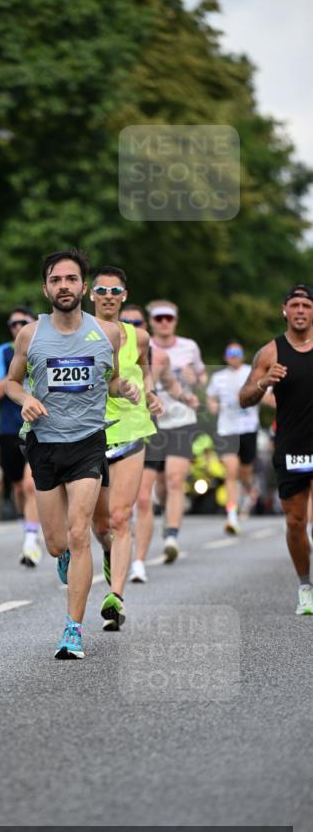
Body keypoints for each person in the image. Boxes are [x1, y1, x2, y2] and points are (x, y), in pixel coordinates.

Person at [5, 248, 140, 659]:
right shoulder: (29, 334)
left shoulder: (109, 333)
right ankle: (63, 558)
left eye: (70, 279)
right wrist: (24, 397)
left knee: (81, 533)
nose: (64, 286)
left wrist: (126, 389)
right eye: (55, 280)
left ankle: (73, 630)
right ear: (46, 288)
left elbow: (112, 380)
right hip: (44, 444)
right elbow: (11, 383)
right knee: (55, 543)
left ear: (84, 286)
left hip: (87, 444)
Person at [87, 267, 165, 631]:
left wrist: (149, 392)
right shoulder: (77, 333)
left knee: (120, 517)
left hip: (131, 428)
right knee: (100, 523)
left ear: (123, 294)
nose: (107, 295)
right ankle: (108, 551)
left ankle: (115, 596)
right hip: (86, 431)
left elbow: (145, 370)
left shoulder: (141, 337)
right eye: (101, 289)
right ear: (92, 294)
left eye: (114, 290)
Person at [239, 283, 313, 615]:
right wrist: (263, 383)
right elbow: (243, 398)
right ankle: (305, 587)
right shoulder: (270, 352)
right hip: (291, 445)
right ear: (284, 310)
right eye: (295, 305)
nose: (301, 310)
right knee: (296, 522)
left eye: (307, 306)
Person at [134, 299, 207, 566]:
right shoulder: (143, 346)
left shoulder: (189, 347)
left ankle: (171, 536)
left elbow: (201, 378)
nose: (164, 323)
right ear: (151, 321)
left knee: (176, 479)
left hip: (181, 420)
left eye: (169, 318)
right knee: (159, 486)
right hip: (150, 422)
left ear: (175, 320)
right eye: (159, 318)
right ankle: (166, 513)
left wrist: (195, 381)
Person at [0, 307, 42, 566]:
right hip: (9, 428)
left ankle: (30, 541)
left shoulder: (46, 347)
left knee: (31, 484)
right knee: (18, 487)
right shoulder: (2, 352)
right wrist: (17, 371)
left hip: (41, 426)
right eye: (13, 324)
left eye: (24, 323)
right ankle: (28, 525)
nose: (18, 327)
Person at [206, 342, 260, 534]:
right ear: (225, 356)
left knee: (245, 473)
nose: (234, 356)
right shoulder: (219, 377)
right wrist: (212, 405)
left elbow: (266, 394)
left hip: (248, 428)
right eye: (230, 353)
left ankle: (248, 489)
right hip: (227, 430)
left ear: (243, 356)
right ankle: (232, 516)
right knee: (231, 471)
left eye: (237, 353)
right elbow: (210, 396)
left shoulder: (251, 372)